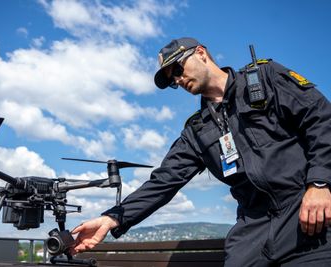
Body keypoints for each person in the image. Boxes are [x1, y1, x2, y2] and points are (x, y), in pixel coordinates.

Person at [70, 37, 331, 266]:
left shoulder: (265, 78)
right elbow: (163, 182)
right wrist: (112, 218)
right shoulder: (197, 131)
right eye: (172, 79)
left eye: (178, 69)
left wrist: (319, 182)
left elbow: (321, 120)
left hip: (306, 215)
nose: (177, 79)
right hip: (255, 229)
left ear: (201, 53)